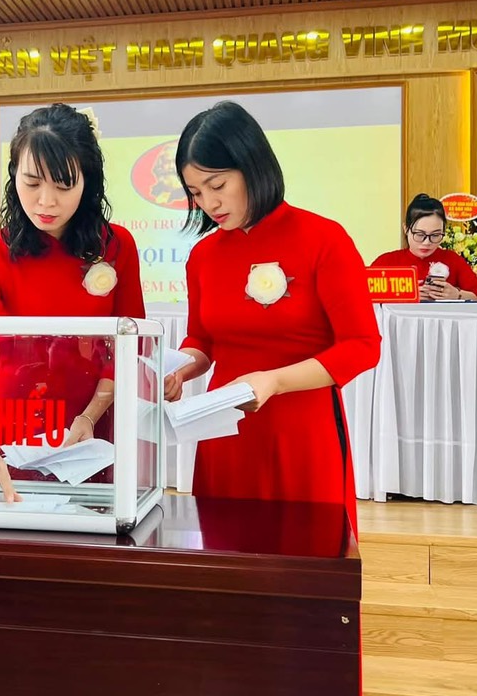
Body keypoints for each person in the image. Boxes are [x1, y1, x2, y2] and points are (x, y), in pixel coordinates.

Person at [162, 101, 380, 532]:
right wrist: (180, 369)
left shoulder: (324, 239)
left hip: (303, 431)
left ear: (253, 166)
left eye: (217, 185)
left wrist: (275, 381)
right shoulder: (203, 255)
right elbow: (203, 339)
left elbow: (362, 346)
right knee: (227, 549)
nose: (208, 203)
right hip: (225, 432)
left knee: (307, 551)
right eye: (196, 193)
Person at [0, 103, 145, 507]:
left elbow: (128, 347)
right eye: (31, 183)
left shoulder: (117, 246)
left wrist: (90, 416)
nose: (46, 201)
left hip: (91, 427)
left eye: (63, 186)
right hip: (12, 427)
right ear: (14, 177)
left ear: (88, 182)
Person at [371, 193, 477, 301]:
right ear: (406, 229)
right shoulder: (387, 262)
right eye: (420, 234)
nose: (427, 242)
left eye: (435, 235)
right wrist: (406, 294)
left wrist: (457, 295)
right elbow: (364, 297)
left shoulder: (452, 260)